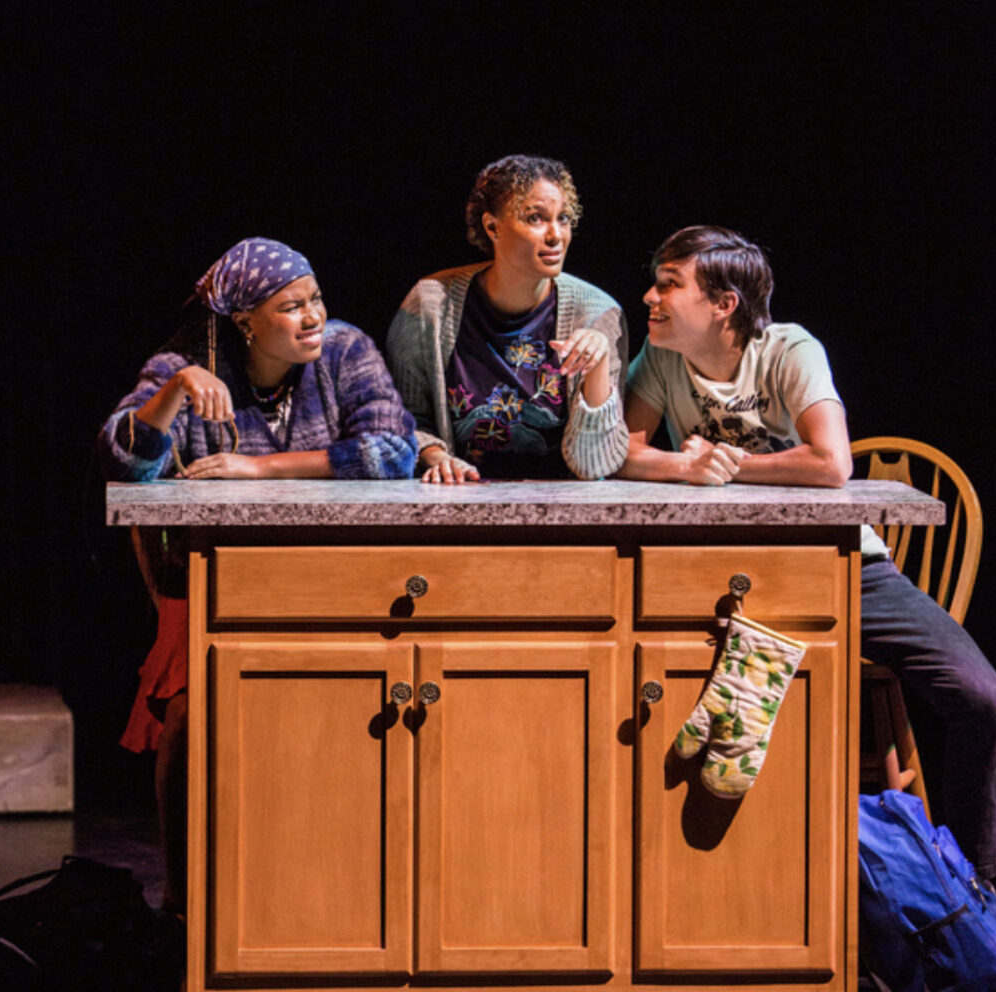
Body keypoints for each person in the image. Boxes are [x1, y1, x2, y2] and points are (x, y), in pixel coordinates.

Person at [619, 224, 996, 883]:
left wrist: (729, 463)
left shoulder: (787, 349)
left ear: (723, 304)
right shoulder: (660, 358)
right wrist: (685, 468)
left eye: (669, 285)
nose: (650, 298)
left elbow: (833, 463)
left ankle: (974, 889)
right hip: (726, 577)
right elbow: (622, 451)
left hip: (844, 564)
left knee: (984, 699)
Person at [98, 236, 418, 911]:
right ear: (245, 321)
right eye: (291, 306)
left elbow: (394, 450)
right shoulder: (186, 367)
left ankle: (318, 889)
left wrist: (260, 467)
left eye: (315, 299)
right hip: (213, 578)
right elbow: (125, 465)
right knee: (191, 703)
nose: (313, 317)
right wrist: (173, 397)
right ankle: (185, 898)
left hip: (332, 576)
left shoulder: (346, 351)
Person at [386, 154, 629, 483]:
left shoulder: (598, 314)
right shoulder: (431, 304)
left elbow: (594, 466)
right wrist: (437, 457)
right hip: (460, 498)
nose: (556, 235)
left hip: (564, 505)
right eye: (535, 218)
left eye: (563, 219)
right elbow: (404, 420)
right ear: (492, 227)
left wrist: (597, 366)